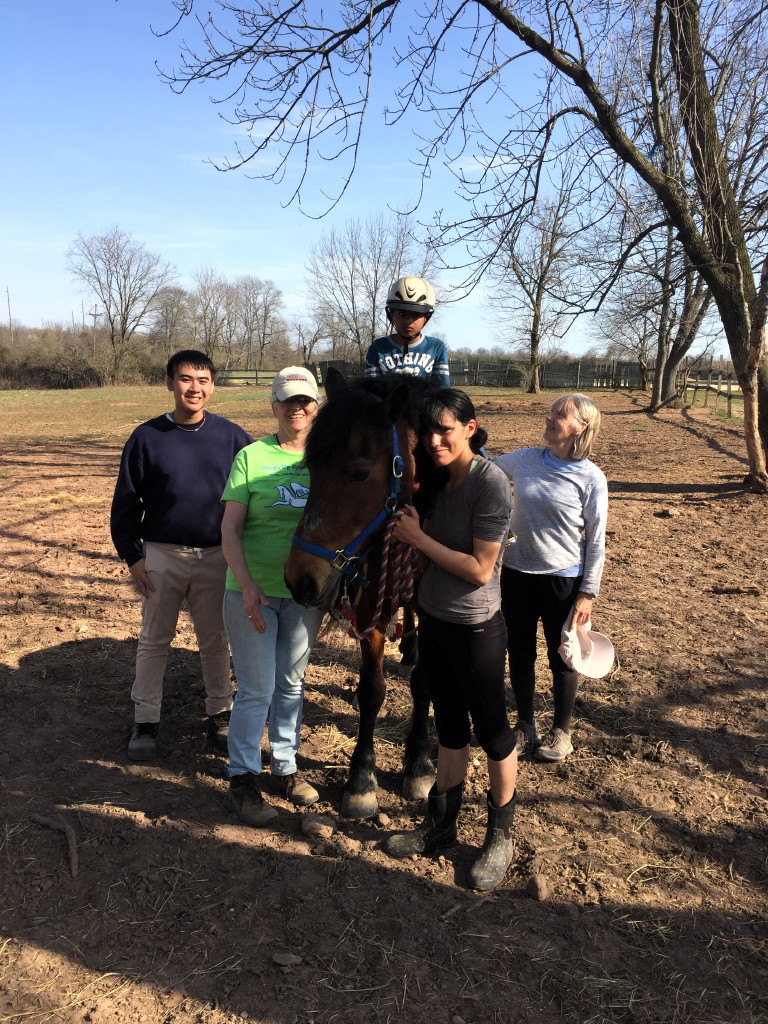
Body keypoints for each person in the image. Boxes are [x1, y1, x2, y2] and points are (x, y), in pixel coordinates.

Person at [384, 388, 517, 891]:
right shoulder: (436, 480)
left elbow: (481, 570)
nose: (436, 440)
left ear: (470, 427)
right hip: (434, 622)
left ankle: (500, 836)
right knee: (450, 729)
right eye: (429, 432)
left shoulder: (491, 484)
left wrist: (418, 540)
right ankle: (441, 825)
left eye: (446, 429)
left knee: (494, 732)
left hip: (477, 628)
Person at [110, 350, 252, 762]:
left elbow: (256, 491)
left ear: (212, 385)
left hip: (216, 557)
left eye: (204, 380)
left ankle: (219, 713)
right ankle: (146, 719)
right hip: (161, 555)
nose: (196, 388)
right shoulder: (146, 437)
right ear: (169, 383)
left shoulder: (232, 437)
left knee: (214, 640)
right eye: (187, 379)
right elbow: (125, 502)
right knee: (155, 639)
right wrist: (134, 558)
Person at [220, 366, 325, 828]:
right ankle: (242, 777)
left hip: (304, 596)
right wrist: (246, 586)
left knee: (291, 684)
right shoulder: (251, 457)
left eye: (304, 400)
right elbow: (229, 529)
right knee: (257, 688)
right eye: (288, 400)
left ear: (315, 406)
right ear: (274, 406)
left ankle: (285, 766)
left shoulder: (326, 459)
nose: (296, 408)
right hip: (254, 592)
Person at [493, 393, 608, 762]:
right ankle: (526, 723)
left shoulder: (592, 478)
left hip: (563, 578)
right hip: (516, 572)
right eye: (551, 411)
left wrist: (587, 593)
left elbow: (596, 540)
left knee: (563, 655)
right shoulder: (526, 459)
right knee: (520, 651)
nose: (549, 417)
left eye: (559, 414)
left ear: (581, 426)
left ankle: (562, 730)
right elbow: (484, 467)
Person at [364, 276, 450, 386]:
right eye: (401, 314)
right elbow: (371, 392)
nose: (408, 320)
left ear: (426, 317)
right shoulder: (378, 348)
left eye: (415, 314)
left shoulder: (436, 348)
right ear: (391, 315)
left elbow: (443, 393)